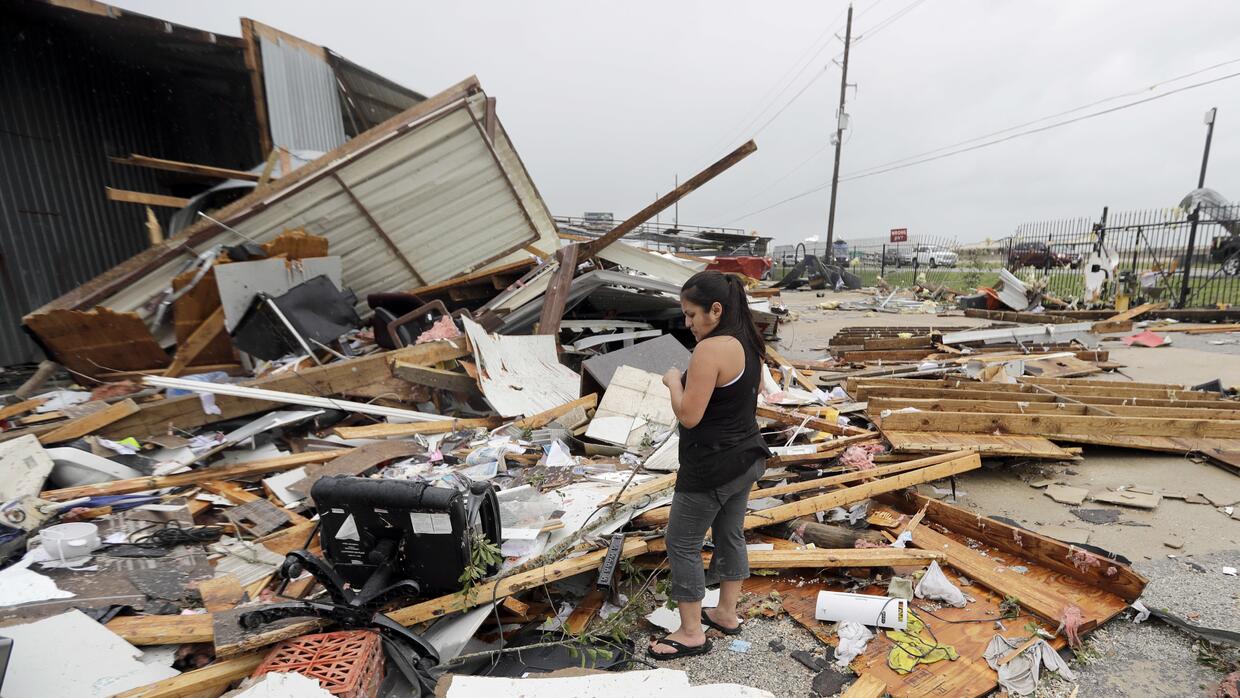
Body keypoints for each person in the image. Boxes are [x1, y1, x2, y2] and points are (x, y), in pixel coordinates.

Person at [648, 270, 771, 660]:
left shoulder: (709, 350)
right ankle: (726, 612)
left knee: (681, 542)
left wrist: (672, 382)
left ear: (715, 310)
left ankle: (689, 633)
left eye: (690, 314)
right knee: (730, 533)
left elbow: (689, 415)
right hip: (746, 457)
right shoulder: (749, 340)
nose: (687, 324)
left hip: (711, 467)